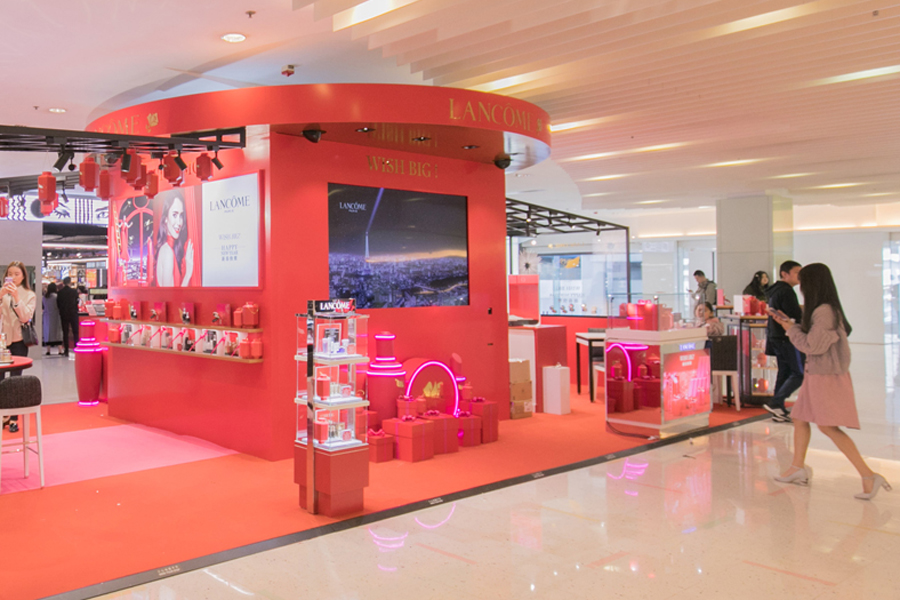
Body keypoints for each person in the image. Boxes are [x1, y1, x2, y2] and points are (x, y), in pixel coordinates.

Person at [770, 263, 891, 500]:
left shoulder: (824, 311)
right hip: (818, 373)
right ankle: (797, 467)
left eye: (803, 281)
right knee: (800, 418)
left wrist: (790, 328)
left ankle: (868, 475)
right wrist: (792, 325)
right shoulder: (824, 309)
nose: (801, 286)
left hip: (824, 375)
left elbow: (812, 345)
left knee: (827, 427)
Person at [764, 261, 803, 421]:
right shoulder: (786, 291)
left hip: (777, 336)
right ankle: (776, 402)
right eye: (797, 272)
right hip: (787, 336)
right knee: (799, 372)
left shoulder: (775, 290)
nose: (800, 276)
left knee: (785, 371)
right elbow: (794, 315)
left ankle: (777, 408)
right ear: (784, 274)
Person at [1, 261, 37, 433]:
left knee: (15, 380)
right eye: (10, 274)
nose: (13, 277)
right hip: (2, 341)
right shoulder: (3, 293)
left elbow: (25, 317)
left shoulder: (29, 294)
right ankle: (2, 415)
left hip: (19, 340)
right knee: (1, 380)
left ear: (23, 276)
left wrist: (16, 297)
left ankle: (14, 418)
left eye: (17, 274)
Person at [155, 193, 195, 287]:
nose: (179, 222)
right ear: (165, 219)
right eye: (174, 215)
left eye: (181, 216)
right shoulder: (167, 252)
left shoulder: (167, 249)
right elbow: (170, 296)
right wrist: (188, 274)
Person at [56, 276, 80, 356]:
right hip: (73, 313)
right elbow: (77, 301)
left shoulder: (60, 292)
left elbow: (58, 304)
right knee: (75, 331)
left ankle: (66, 350)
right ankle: (76, 347)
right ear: (70, 283)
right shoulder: (74, 292)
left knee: (65, 332)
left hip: (64, 314)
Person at [42, 282, 62, 355]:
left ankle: (48, 350)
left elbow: (43, 306)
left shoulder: (44, 297)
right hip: (56, 316)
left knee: (48, 333)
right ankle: (60, 350)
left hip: (46, 316)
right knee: (57, 333)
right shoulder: (56, 296)